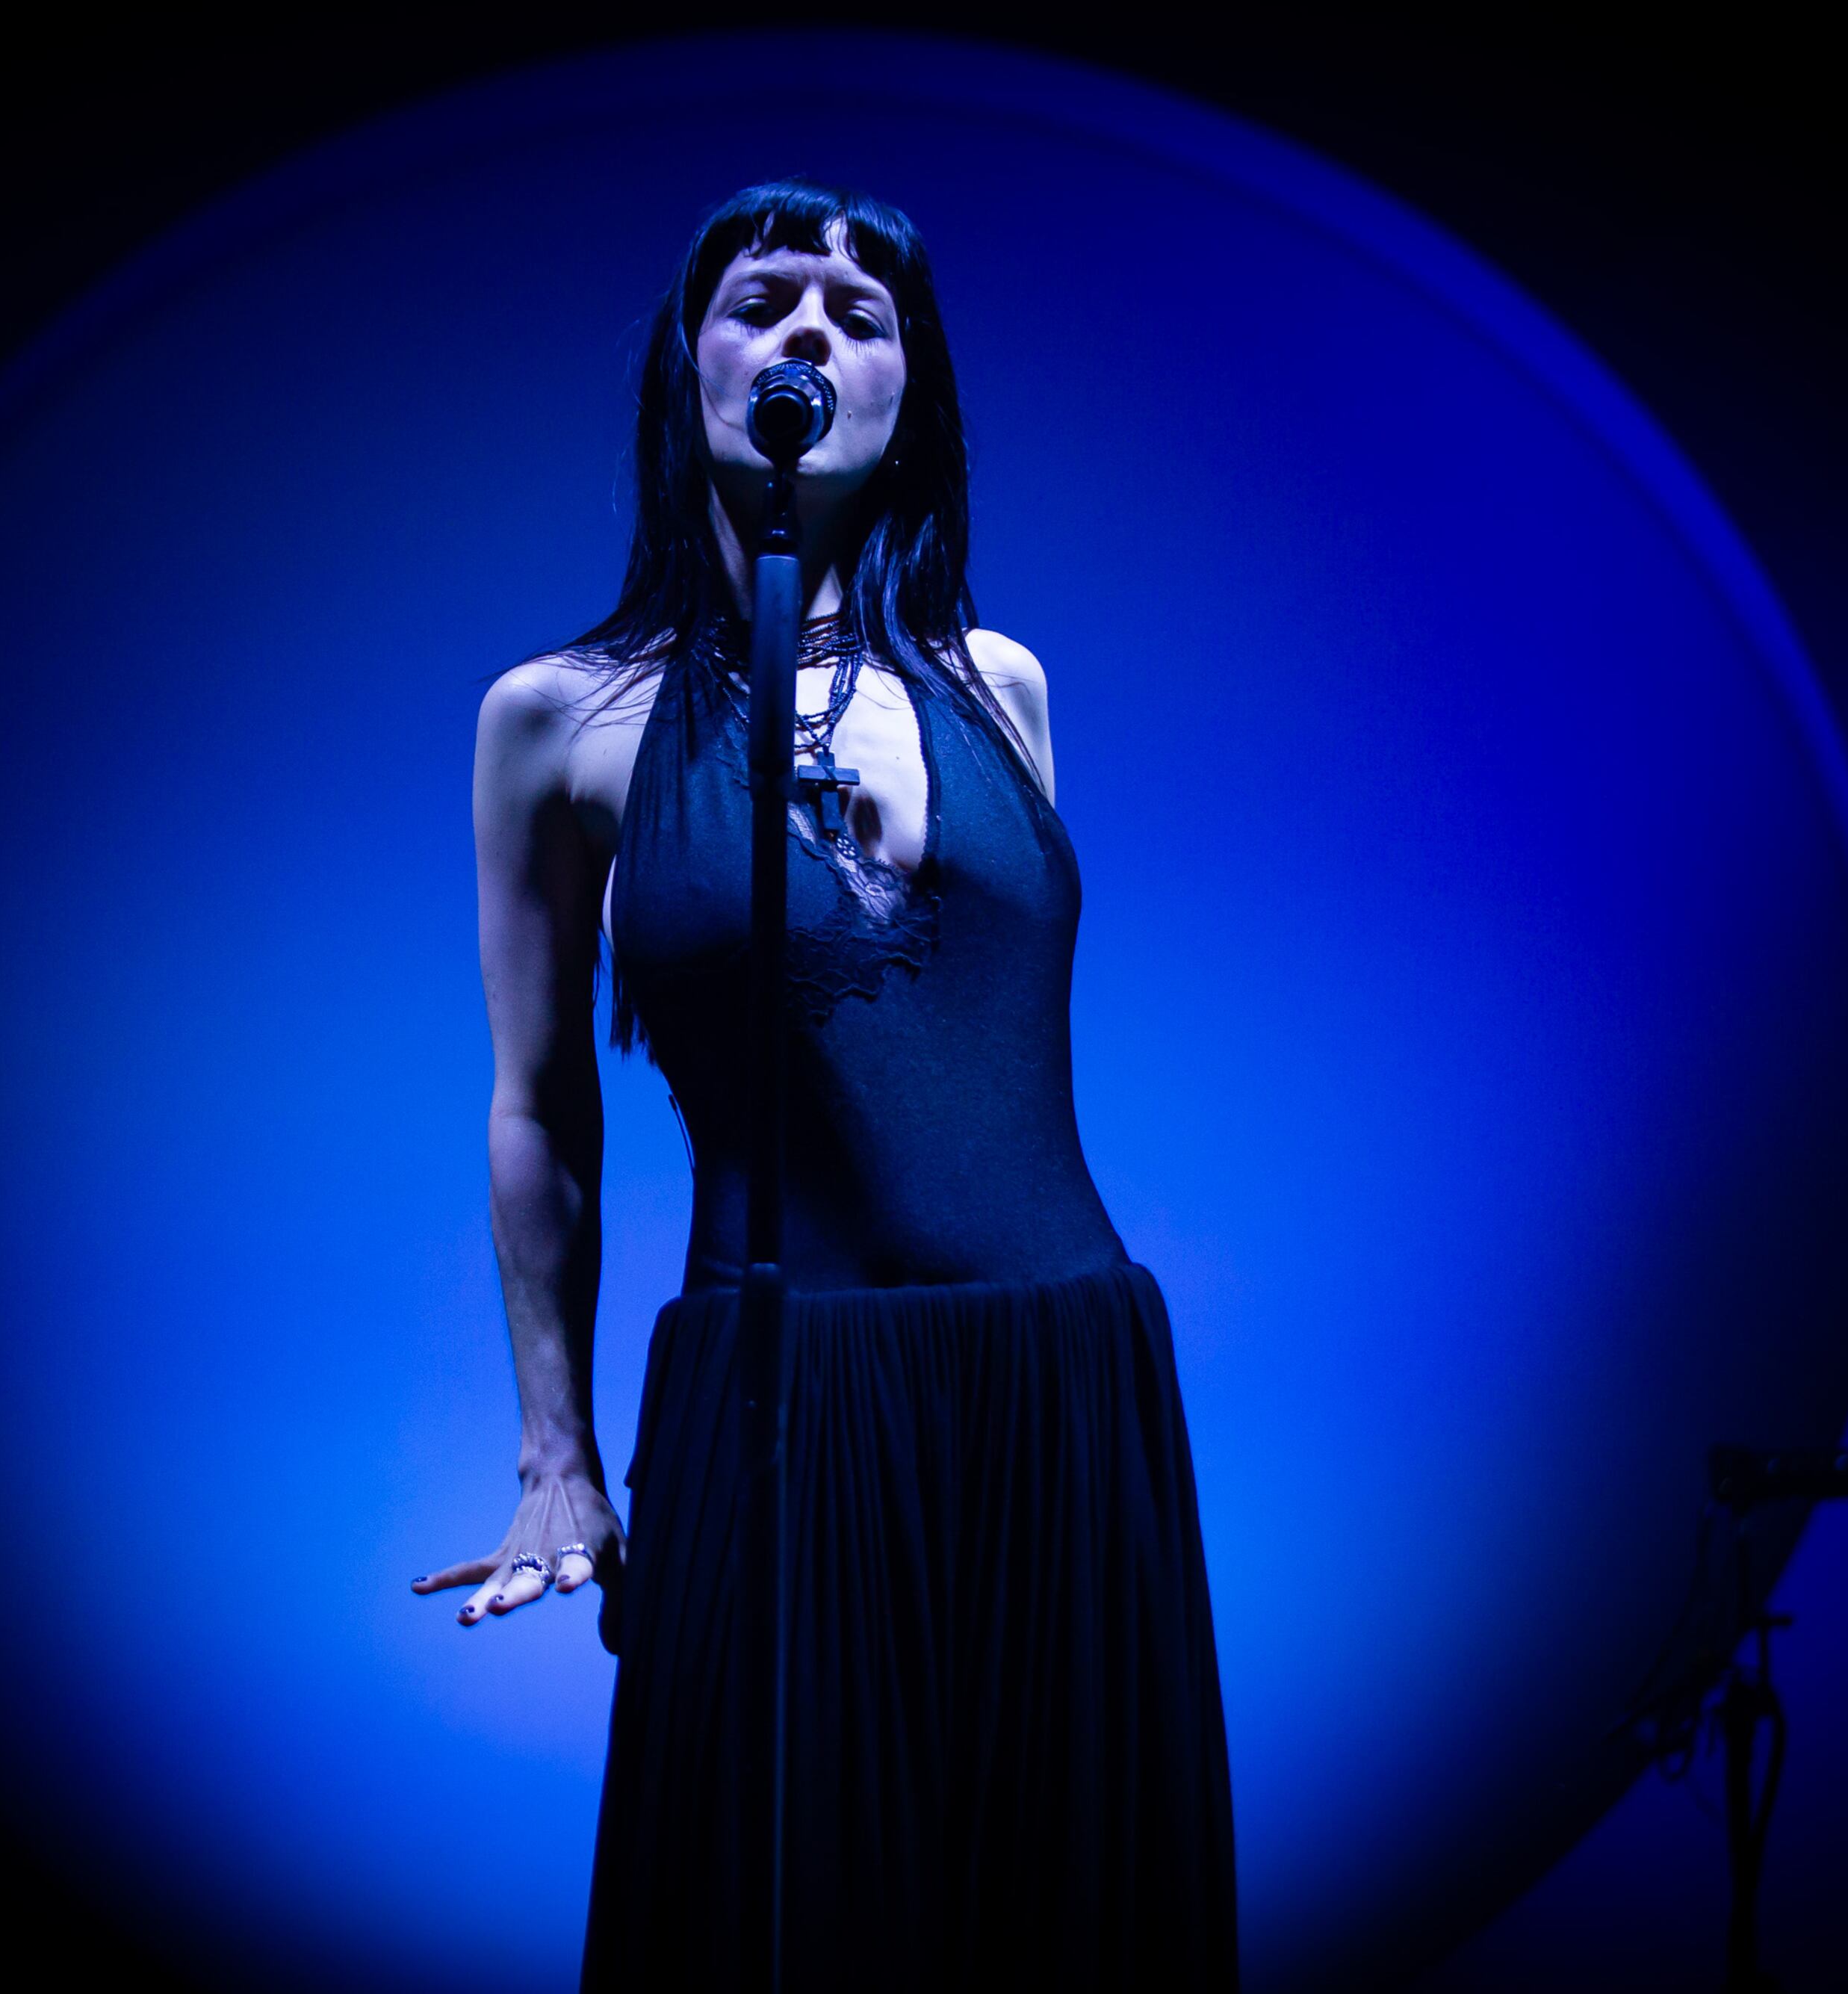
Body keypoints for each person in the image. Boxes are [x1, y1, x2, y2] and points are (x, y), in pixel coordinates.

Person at [413, 178, 1236, 1990]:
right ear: (689, 364)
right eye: (764, 300)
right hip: (775, 1384)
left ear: (907, 397)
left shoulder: (1002, 685)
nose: (809, 331)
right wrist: (557, 1458)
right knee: (771, 1918)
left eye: (861, 318)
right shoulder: (557, 718)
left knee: (1063, 1919)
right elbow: (540, 1107)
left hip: (1059, 1377)